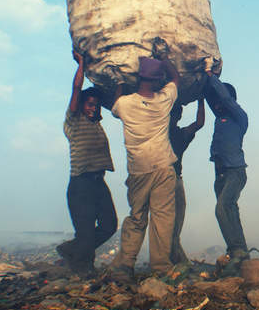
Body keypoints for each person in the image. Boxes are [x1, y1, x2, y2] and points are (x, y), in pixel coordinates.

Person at [106, 54, 181, 283]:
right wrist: (165, 58)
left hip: (138, 171)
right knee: (163, 218)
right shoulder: (163, 100)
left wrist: (119, 83)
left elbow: (114, 106)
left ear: (139, 77)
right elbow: (176, 77)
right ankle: (160, 268)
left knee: (137, 217)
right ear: (158, 80)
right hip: (163, 167)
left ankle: (126, 264)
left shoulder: (125, 104)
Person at [58, 50, 117, 276]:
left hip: (98, 183)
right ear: (81, 105)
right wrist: (81, 63)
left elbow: (113, 100)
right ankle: (82, 269)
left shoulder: (96, 124)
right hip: (80, 185)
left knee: (109, 225)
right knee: (85, 232)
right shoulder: (73, 121)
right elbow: (76, 90)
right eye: (89, 103)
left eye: (95, 104)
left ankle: (71, 250)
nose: (92, 107)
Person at [203, 60, 250, 272]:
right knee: (231, 211)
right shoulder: (220, 117)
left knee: (222, 209)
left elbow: (222, 96)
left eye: (222, 101)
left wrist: (211, 75)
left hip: (235, 173)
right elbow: (213, 98)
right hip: (220, 174)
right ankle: (240, 253)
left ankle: (238, 251)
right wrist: (203, 81)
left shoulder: (239, 117)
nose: (218, 105)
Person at [169, 95, 206, 266]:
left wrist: (200, 99)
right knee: (173, 225)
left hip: (172, 181)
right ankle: (175, 260)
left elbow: (198, 124)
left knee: (171, 226)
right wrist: (200, 99)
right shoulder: (177, 134)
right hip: (172, 181)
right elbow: (199, 123)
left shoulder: (168, 133)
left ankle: (174, 259)